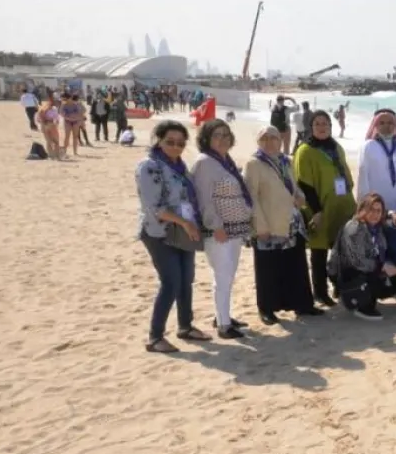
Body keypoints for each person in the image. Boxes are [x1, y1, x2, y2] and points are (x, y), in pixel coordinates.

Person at [135, 120, 207, 353]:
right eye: (170, 142)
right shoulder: (149, 166)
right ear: (159, 140)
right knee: (171, 281)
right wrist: (184, 222)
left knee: (186, 279)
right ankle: (155, 337)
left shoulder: (179, 166)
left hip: (184, 231)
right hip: (159, 232)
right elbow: (153, 207)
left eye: (180, 143)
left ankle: (185, 326)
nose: (176, 147)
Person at [244, 125, 321, 325]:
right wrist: (259, 226)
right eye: (265, 138)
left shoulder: (286, 161)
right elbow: (251, 197)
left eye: (274, 138)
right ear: (259, 142)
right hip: (268, 224)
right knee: (268, 269)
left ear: (280, 140)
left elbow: (293, 186)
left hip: (291, 223)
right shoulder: (254, 164)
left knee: (296, 265)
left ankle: (302, 304)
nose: (270, 142)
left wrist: (301, 197)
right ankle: (267, 309)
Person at [191, 119, 254, 339]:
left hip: (234, 230)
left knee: (227, 275)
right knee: (223, 276)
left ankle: (223, 316)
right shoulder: (205, 163)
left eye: (226, 135)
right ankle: (224, 326)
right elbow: (203, 199)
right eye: (217, 135)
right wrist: (215, 225)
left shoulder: (224, 161)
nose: (222, 139)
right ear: (206, 138)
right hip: (219, 231)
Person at [294, 110, 356, 306]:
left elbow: (346, 175)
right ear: (311, 127)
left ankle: (340, 286)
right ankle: (320, 292)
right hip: (320, 208)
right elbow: (304, 184)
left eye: (325, 123)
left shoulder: (336, 147)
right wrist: (317, 211)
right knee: (319, 252)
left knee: (343, 250)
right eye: (317, 124)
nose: (322, 127)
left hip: (342, 206)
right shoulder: (305, 150)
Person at [329, 193, 395, 320]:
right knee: (376, 276)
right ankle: (358, 303)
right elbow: (358, 261)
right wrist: (382, 267)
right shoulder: (355, 228)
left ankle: (368, 298)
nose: (375, 214)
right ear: (362, 210)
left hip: (365, 268)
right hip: (348, 272)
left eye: (378, 211)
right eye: (371, 210)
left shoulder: (376, 228)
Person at [357, 108, 396, 212]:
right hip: (377, 206)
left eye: (390, 123)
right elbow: (362, 178)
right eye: (382, 123)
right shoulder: (368, 147)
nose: (386, 126)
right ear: (375, 125)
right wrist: (364, 205)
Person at [59, 92, 86, 157]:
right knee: (67, 137)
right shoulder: (63, 105)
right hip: (67, 122)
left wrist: (72, 116)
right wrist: (72, 116)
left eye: (65, 99)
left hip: (75, 122)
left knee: (75, 137)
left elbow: (81, 112)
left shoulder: (76, 104)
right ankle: (64, 151)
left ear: (70, 98)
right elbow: (62, 114)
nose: (64, 101)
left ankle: (75, 152)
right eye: (63, 99)